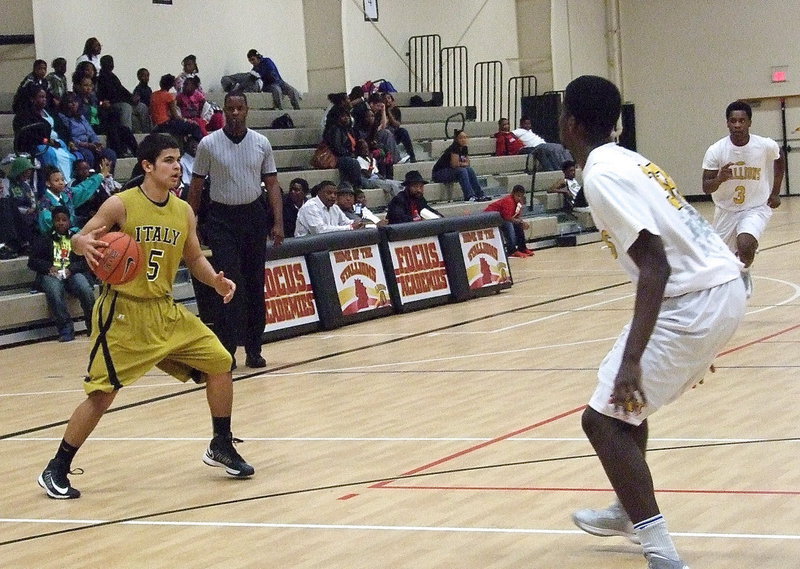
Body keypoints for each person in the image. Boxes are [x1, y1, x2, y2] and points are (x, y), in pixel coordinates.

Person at [559, 75, 746, 569]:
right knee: (623, 412)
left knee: (601, 422)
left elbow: (656, 266)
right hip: (717, 287)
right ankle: (627, 508)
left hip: (694, 298)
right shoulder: (628, 157)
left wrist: (634, 360)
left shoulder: (601, 173)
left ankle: (661, 551)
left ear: (571, 122)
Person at [36, 133, 252, 500]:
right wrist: (82, 243)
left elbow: (194, 257)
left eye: (178, 160)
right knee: (102, 394)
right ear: (147, 166)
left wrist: (214, 280)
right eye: (168, 160)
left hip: (165, 310)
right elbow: (79, 238)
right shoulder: (121, 205)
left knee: (220, 361)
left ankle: (220, 443)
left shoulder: (183, 210)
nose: (176, 167)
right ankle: (56, 467)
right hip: (123, 313)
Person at [188, 92, 284, 370]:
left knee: (255, 285)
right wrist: (189, 223)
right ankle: (227, 351)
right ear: (224, 111)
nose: (234, 112)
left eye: (239, 108)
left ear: (247, 110)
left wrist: (277, 222)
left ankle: (254, 349)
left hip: (253, 216)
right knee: (228, 285)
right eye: (230, 108)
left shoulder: (261, 143)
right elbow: (196, 187)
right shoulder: (208, 144)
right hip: (221, 219)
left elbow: (273, 185)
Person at [701, 100, 785, 298]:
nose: (737, 125)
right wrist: (719, 178)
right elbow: (705, 187)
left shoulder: (763, 145)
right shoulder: (716, 150)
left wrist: (775, 191)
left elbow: (779, 156)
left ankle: (745, 273)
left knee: (745, 244)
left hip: (755, 207)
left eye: (741, 120)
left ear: (749, 123)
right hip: (726, 210)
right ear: (727, 123)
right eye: (733, 121)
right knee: (720, 262)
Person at [27, 206, 95, 342]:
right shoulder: (44, 238)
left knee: (85, 288)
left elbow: (85, 261)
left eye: (64, 220)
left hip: (72, 272)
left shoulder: (77, 239)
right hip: (51, 274)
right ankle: (65, 329)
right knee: (54, 290)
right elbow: (32, 261)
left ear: (69, 221)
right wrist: (48, 267)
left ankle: (92, 325)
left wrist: (72, 269)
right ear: (53, 222)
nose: (61, 223)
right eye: (57, 220)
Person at [37, 162, 108, 235]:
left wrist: (100, 176)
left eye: (62, 180)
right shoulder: (45, 204)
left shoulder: (67, 194)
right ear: (48, 183)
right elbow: (52, 227)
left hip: (75, 231)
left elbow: (83, 188)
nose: (61, 183)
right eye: (56, 180)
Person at [431, 130, 489, 201]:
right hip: (439, 173)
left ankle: (480, 194)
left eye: (465, 137)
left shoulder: (464, 148)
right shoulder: (454, 148)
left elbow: (468, 164)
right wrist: (463, 164)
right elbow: (454, 165)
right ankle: (469, 196)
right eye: (461, 138)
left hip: (452, 171)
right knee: (462, 170)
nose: (463, 140)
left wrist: (461, 164)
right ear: (456, 139)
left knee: (469, 170)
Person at [294, 180, 364, 236]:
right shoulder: (310, 207)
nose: (333, 196)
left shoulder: (335, 207)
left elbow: (346, 222)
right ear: (319, 193)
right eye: (329, 193)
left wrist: (360, 224)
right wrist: (350, 227)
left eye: (335, 194)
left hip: (327, 245)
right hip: (306, 247)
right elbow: (320, 231)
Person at [484, 184, 533, 258]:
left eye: (521, 196)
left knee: (518, 224)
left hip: (500, 217)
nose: (519, 198)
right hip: (490, 216)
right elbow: (507, 217)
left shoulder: (518, 203)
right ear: (513, 194)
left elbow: (516, 216)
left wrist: (522, 222)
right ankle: (512, 250)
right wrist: (520, 222)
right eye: (518, 196)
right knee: (508, 224)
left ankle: (522, 248)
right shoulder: (508, 201)